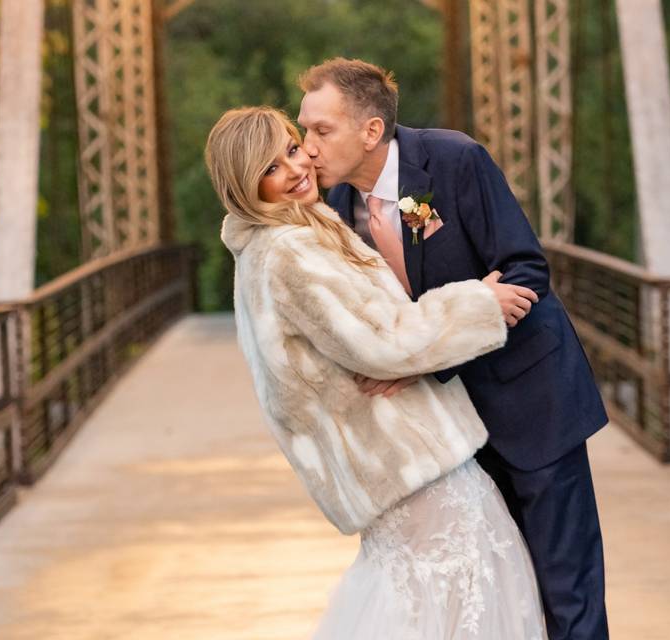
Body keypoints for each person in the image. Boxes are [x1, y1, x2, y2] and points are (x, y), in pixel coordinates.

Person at [298, 57, 609, 640]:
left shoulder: (453, 160)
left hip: (533, 404)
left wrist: (427, 356)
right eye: (303, 131)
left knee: (568, 592)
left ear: (370, 131)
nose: (308, 147)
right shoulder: (334, 213)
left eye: (321, 130)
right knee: (505, 593)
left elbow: (524, 274)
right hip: (453, 433)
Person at [208, 105, 547, 639]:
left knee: (457, 598)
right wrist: (477, 303)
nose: (300, 165)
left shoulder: (306, 228)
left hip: (413, 455)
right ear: (245, 190)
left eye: (296, 147)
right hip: (404, 460)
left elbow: (373, 333)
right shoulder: (292, 247)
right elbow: (382, 341)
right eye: (271, 168)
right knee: (451, 602)